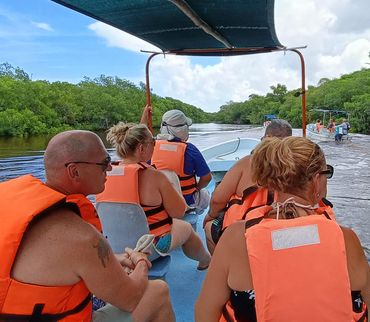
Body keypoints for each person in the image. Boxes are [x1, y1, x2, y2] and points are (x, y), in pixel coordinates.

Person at [0, 130, 174, 322]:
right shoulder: (81, 237)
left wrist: (113, 258)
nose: (110, 168)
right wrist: (141, 262)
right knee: (158, 291)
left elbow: (35, 262)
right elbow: (130, 298)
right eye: (104, 163)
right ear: (74, 171)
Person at [195, 137, 370, 322]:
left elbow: (204, 314)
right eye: (326, 173)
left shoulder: (236, 238)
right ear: (316, 181)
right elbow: (367, 307)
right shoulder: (347, 240)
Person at [97, 122, 211, 269]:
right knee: (187, 228)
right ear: (142, 148)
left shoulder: (103, 175)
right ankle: (206, 261)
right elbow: (179, 212)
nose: (155, 145)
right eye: (153, 142)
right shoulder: (155, 177)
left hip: (112, 247)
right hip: (149, 247)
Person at [202, 118, 293, 253]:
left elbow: (217, 200)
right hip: (280, 235)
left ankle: (220, 263)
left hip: (245, 234)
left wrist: (211, 215)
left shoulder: (246, 163)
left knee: (209, 227)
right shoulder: (294, 167)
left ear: (267, 138)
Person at [151, 109, 212, 214]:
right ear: (182, 129)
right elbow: (207, 178)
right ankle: (193, 215)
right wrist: (197, 187)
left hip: (159, 203)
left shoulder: (150, 147)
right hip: (185, 204)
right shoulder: (190, 149)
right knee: (204, 194)